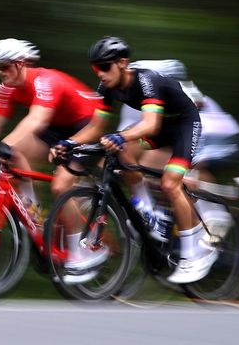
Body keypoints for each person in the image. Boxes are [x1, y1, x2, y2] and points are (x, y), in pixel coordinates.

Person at [50, 37, 214, 284]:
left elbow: (150, 123)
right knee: (118, 149)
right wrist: (70, 143)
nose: (100, 74)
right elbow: (96, 127)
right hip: (158, 129)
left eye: (105, 67)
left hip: (183, 124)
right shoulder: (106, 88)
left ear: (123, 63)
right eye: (96, 68)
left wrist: (119, 135)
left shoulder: (145, 80)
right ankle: (148, 210)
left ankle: (196, 255)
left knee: (170, 184)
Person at [0, 38, 101, 215]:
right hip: (57, 126)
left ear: (19, 64)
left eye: (4, 67)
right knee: (14, 154)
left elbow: (37, 119)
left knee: (60, 188)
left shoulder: (45, 80)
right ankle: (34, 211)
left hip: (86, 125)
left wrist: (6, 144)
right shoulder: (6, 88)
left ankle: (77, 241)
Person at [120, 60, 239, 237]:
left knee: (181, 176)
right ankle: (165, 219)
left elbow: (193, 134)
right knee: (146, 167)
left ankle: (213, 217)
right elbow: (125, 139)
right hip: (180, 133)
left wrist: (190, 173)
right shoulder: (136, 97)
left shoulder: (185, 95)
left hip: (214, 135)